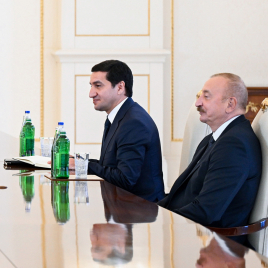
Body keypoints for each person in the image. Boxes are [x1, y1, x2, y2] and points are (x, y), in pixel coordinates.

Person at [160, 73, 262, 228]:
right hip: (190, 230)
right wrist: (149, 211)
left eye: (206, 97)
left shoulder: (234, 145)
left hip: (213, 244)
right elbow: (183, 196)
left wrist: (158, 222)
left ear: (230, 104)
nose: (197, 103)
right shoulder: (214, 139)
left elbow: (206, 211)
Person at [85, 60, 164, 202]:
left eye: (98, 86)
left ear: (120, 87)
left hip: (139, 212)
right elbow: (110, 167)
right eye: (91, 86)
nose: (91, 93)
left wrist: (84, 165)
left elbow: (125, 178)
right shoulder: (122, 115)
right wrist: (77, 162)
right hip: (122, 207)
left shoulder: (134, 122)